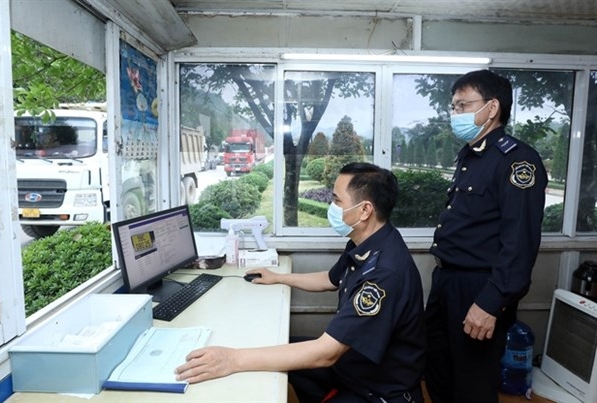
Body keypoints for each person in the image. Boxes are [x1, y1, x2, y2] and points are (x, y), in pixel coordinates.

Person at [175, 162, 426, 403]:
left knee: (273, 358)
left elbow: (325, 353)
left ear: (365, 210)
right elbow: (331, 278)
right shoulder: (369, 241)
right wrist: (279, 278)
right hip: (353, 366)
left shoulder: (384, 274)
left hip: (376, 391)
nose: (332, 206)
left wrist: (233, 360)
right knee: (283, 348)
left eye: (337, 200)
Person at [424, 70, 548, 403]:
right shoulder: (470, 156)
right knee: (438, 369)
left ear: (491, 108)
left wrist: (491, 303)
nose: (455, 114)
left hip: (479, 289)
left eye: (463, 105)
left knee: (472, 383)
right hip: (447, 281)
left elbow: (519, 243)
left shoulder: (517, 161)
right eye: (453, 107)